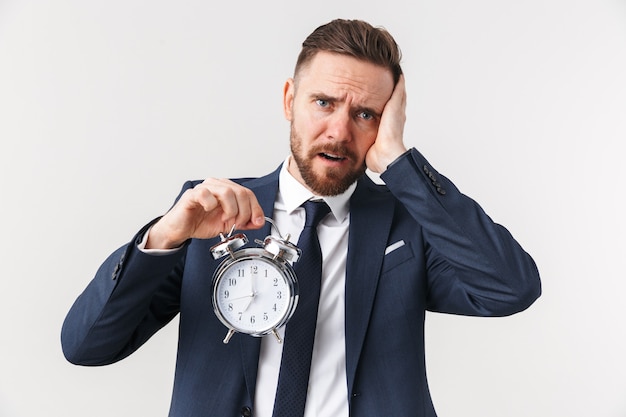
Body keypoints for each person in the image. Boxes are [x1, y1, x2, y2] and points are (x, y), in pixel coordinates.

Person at [61, 18, 541, 417]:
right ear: (290, 99)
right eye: (324, 102)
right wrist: (165, 235)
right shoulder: (209, 213)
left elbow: (510, 288)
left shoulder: (408, 224)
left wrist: (399, 163)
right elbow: (87, 346)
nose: (338, 131)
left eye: (365, 114)